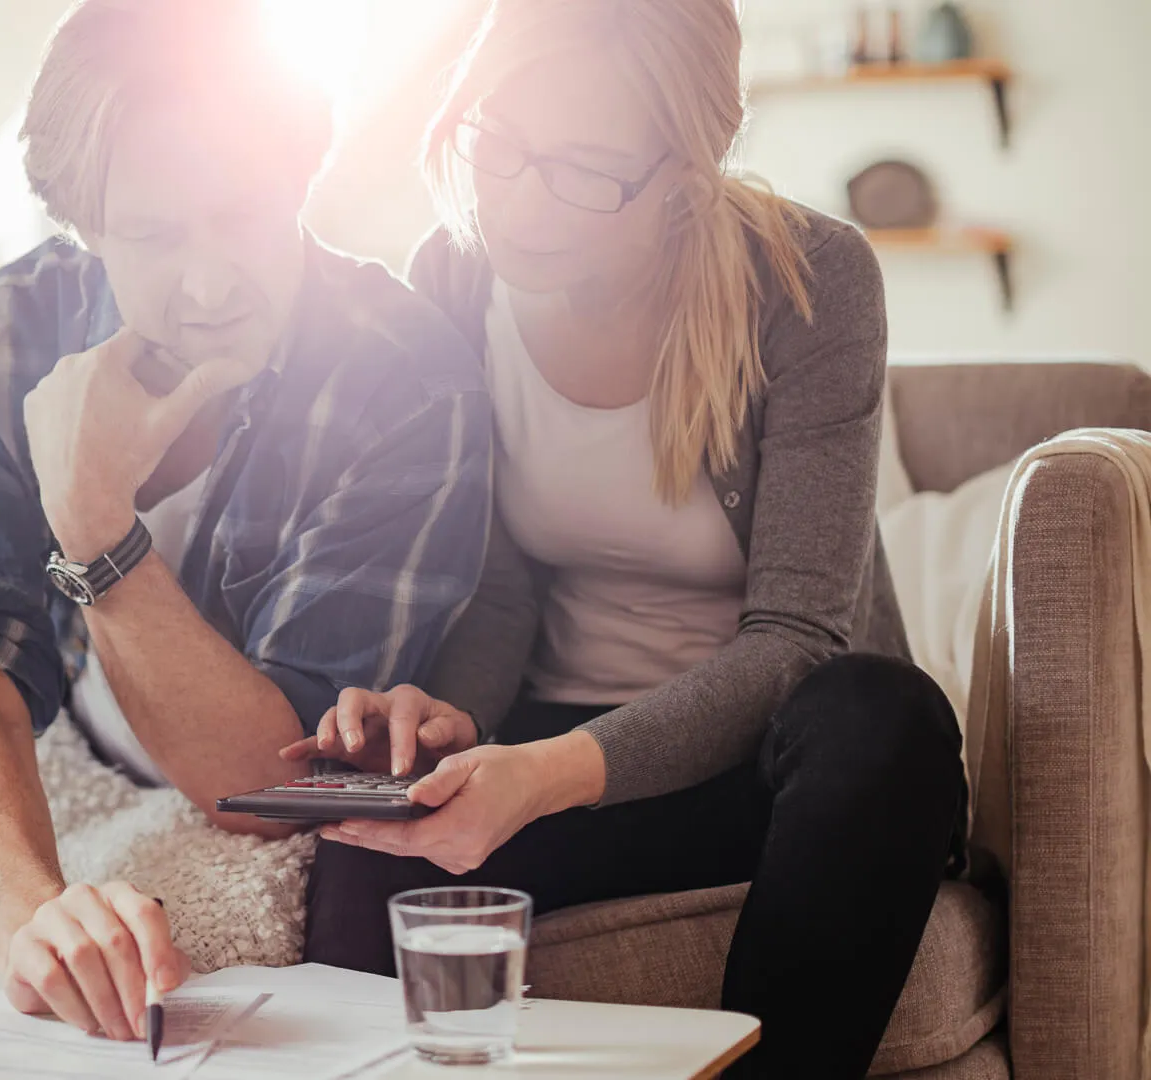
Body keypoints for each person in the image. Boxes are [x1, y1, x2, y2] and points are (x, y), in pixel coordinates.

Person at [285, 1, 965, 1077]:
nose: (519, 199)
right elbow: (500, 590)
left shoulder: (811, 280)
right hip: (544, 745)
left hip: (768, 774)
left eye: (583, 170)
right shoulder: (457, 277)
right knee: (373, 835)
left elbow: (796, 637)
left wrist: (546, 774)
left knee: (887, 721)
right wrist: (449, 719)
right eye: (498, 144)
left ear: (685, 179)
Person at [0, 0, 493, 1047]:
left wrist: (90, 516)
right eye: (155, 236)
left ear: (299, 178)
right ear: (85, 226)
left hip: (218, 763)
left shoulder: (409, 381)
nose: (209, 282)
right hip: (61, 734)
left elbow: (267, 784)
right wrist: (34, 920)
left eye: (242, 214)